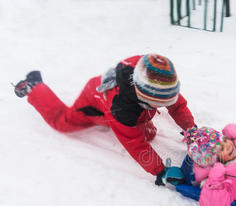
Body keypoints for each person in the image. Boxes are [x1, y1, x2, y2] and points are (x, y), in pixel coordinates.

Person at [13, 54, 195, 185]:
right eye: (161, 103)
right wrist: (160, 171)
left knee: (149, 134)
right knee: (62, 122)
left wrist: (192, 129)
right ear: (145, 97)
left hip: (136, 106)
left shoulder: (157, 78)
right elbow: (134, 143)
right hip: (94, 100)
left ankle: (132, 119)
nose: (169, 103)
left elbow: (177, 106)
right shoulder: (121, 109)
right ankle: (34, 86)